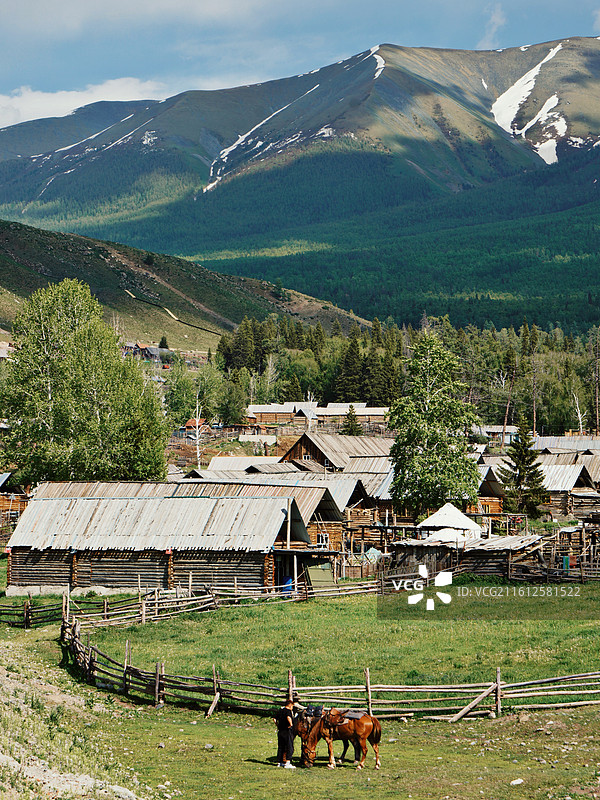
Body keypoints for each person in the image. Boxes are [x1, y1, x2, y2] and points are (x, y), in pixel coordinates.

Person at [275, 697, 296, 769]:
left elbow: (274, 719)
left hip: (280, 731)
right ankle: (287, 762)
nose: (292, 708)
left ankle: (279, 762)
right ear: (290, 705)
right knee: (289, 746)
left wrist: (278, 725)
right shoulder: (288, 711)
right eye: (292, 706)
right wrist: (290, 724)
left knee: (281, 747)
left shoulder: (280, 710)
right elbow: (288, 717)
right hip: (287, 731)